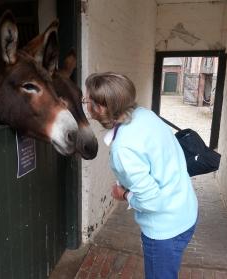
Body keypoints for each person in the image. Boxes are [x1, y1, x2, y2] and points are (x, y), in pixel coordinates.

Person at [84, 72, 198, 279]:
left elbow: (151, 201)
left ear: (100, 108)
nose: (86, 105)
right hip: (185, 210)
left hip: (165, 230)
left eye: (87, 101)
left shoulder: (123, 148)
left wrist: (124, 195)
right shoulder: (145, 114)